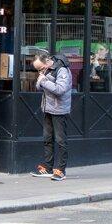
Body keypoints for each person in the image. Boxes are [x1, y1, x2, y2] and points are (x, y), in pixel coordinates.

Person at [31, 53, 72, 181]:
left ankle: (61, 171)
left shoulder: (62, 70)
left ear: (47, 61)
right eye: (38, 70)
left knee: (60, 141)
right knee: (47, 139)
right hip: (48, 108)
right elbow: (38, 86)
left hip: (59, 110)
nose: (40, 71)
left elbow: (60, 90)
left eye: (41, 68)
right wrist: (41, 80)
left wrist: (44, 81)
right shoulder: (47, 69)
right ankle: (48, 168)